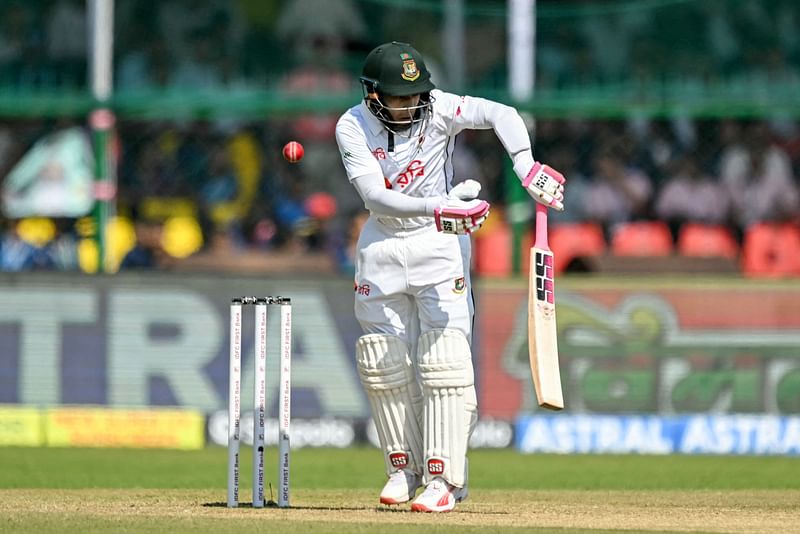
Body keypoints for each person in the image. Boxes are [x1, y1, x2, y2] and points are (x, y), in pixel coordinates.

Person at [334, 41, 566, 512]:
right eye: (398, 96)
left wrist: (526, 167)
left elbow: (503, 113)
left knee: (444, 363)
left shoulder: (439, 107)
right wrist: (437, 205)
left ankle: (444, 479)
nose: (410, 104)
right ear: (373, 94)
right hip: (383, 242)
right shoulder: (351, 125)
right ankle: (403, 468)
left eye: (415, 94)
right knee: (383, 362)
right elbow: (375, 198)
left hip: (439, 243)